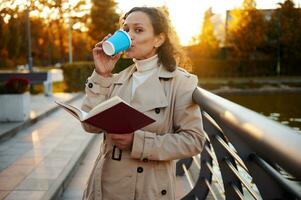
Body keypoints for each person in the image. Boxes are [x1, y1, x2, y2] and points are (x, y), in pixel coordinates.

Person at [81, 6, 205, 200]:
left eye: (138, 30)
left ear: (159, 39)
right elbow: (90, 125)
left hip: (148, 190)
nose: (129, 36)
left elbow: (193, 141)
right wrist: (102, 73)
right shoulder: (117, 78)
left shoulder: (180, 82)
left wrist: (137, 142)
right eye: (126, 29)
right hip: (105, 186)